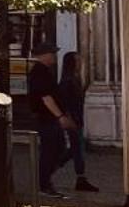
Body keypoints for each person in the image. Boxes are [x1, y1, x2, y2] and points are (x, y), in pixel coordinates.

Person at [26, 48, 72, 196]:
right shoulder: (40, 73)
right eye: (52, 53)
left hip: (49, 117)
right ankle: (43, 184)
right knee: (51, 151)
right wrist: (60, 117)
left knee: (58, 149)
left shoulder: (44, 71)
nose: (54, 56)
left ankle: (45, 181)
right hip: (47, 118)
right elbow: (46, 98)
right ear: (43, 55)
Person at [59, 51, 99, 193]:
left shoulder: (74, 79)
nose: (80, 64)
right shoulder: (67, 81)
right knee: (78, 149)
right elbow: (64, 102)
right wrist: (68, 118)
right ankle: (80, 178)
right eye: (78, 61)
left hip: (77, 118)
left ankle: (54, 165)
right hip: (73, 119)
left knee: (76, 148)